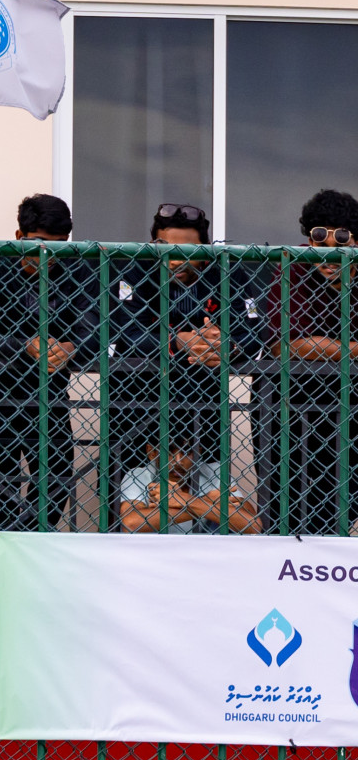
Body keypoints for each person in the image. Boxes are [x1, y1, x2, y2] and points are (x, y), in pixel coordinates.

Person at [109, 204, 265, 483]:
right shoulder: (135, 269)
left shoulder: (227, 271)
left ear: (205, 248)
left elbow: (254, 331)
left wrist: (227, 348)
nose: (175, 260)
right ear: (153, 243)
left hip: (204, 403)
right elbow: (125, 332)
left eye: (187, 252)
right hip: (138, 401)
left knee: (212, 492)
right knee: (131, 496)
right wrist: (178, 341)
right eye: (165, 249)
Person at [0, 195, 97, 532]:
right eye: (37, 243)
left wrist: (69, 347)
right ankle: (2, 572)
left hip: (48, 390)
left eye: (58, 245)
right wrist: (28, 345)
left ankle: (32, 553)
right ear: (18, 235)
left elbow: (93, 332)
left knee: (56, 477)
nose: (47, 254)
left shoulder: (76, 265)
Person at [262, 190, 358, 534]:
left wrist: (322, 346)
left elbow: (307, 343)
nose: (330, 249)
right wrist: (352, 349)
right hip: (295, 400)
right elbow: (286, 347)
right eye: (319, 235)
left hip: (351, 399)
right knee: (294, 490)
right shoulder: (293, 265)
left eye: (342, 237)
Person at [119, 441, 260, 534]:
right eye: (169, 451)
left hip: (207, 556)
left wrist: (183, 500)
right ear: (152, 452)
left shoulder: (216, 472)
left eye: (187, 451)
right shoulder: (138, 475)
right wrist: (208, 503)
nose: (178, 460)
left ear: (198, 451)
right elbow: (130, 524)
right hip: (156, 557)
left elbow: (252, 525)